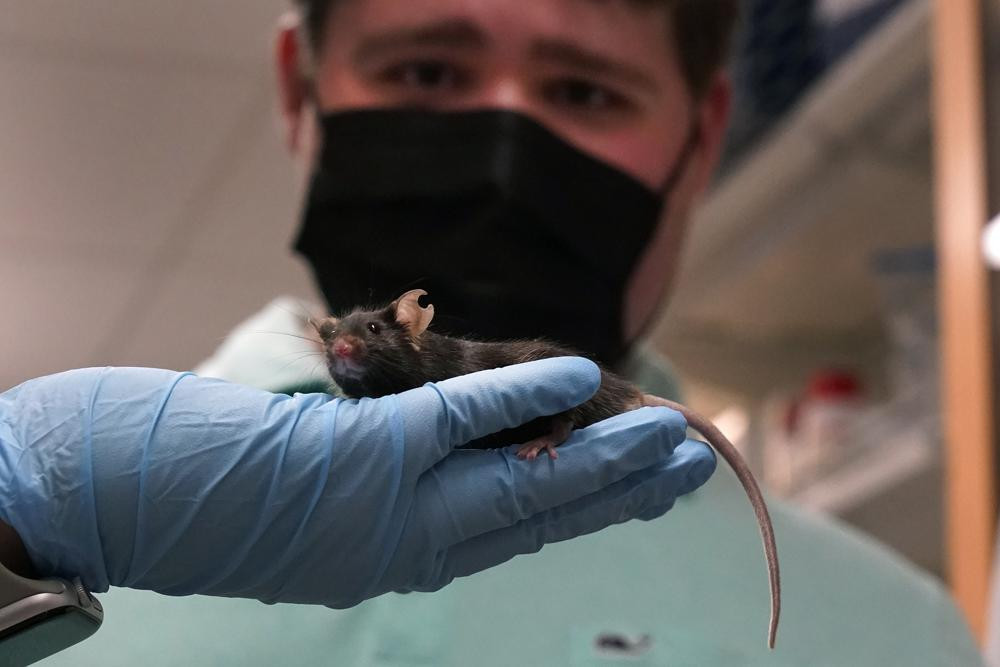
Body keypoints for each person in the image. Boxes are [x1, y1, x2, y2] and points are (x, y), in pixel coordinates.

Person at [22, 0, 984, 665]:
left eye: (586, 91)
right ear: (298, 90)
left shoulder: (907, 635)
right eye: (427, 68)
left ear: (703, 141)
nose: (500, 145)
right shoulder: (84, 510)